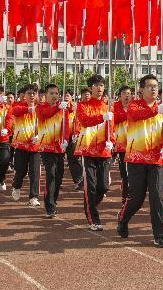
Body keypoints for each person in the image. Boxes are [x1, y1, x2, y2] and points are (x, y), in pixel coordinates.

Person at [117, 74, 163, 248]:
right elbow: (136, 116)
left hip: (156, 159)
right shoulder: (134, 105)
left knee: (157, 196)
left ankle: (160, 235)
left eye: (156, 86)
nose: (153, 89)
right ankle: (123, 219)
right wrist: (156, 111)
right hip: (136, 158)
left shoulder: (162, 108)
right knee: (137, 198)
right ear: (141, 89)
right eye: (149, 86)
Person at [74, 75, 115, 231]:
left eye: (102, 85)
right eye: (96, 85)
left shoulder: (108, 107)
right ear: (90, 88)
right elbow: (85, 121)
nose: (99, 88)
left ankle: (89, 205)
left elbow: (111, 127)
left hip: (104, 150)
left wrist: (112, 141)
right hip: (88, 150)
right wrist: (101, 117)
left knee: (103, 186)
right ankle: (93, 218)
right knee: (90, 186)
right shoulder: (82, 106)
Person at [35, 84, 68, 218]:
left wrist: (66, 139)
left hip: (59, 147)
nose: (55, 96)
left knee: (59, 177)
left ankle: (53, 201)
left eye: (56, 93)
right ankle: (49, 206)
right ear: (46, 95)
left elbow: (66, 125)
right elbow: (45, 115)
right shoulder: (40, 107)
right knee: (51, 174)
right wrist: (57, 108)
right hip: (46, 146)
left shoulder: (62, 108)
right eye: (52, 93)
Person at [10, 85, 41, 207]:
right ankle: (16, 186)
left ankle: (33, 196)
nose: (32, 95)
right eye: (29, 93)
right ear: (24, 95)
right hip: (21, 146)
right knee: (21, 171)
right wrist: (29, 109)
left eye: (34, 93)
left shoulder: (41, 108)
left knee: (35, 173)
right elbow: (14, 111)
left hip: (35, 146)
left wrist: (39, 136)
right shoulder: (18, 106)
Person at [112, 86, 133, 204]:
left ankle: (132, 194)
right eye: (124, 93)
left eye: (129, 93)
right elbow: (115, 119)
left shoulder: (135, 106)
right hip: (121, 145)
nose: (127, 95)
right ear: (120, 96)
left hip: (135, 144)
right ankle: (126, 196)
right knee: (125, 173)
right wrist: (130, 114)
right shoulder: (114, 107)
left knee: (134, 173)